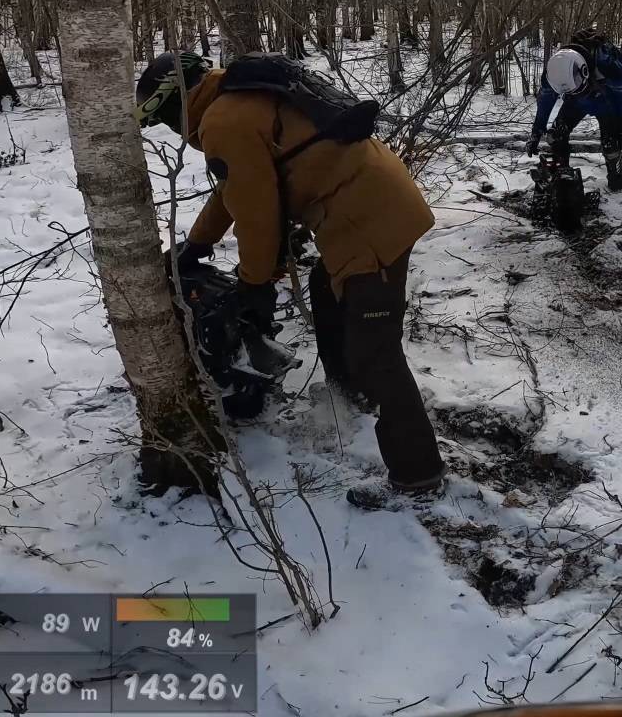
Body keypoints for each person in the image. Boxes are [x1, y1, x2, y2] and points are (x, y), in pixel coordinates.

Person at [135, 52, 446, 507]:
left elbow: (259, 218)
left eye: (164, 120)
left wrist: (255, 284)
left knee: (375, 349)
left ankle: (417, 476)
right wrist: (198, 244)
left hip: (368, 221)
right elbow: (237, 190)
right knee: (327, 292)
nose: (172, 130)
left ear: (175, 106)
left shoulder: (223, 120)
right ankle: (350, 397)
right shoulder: (233, 99)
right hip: (372, 198)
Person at [528, 29, 622, 191]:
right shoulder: (553, 72)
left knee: (611, 143)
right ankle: (561, 177)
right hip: (575, 103)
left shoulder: (607, 64)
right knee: (555, 135)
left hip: (605, 101)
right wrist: (536, 133)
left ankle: (616, 179)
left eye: (577, 88)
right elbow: (545, 102)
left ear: (584, 71)